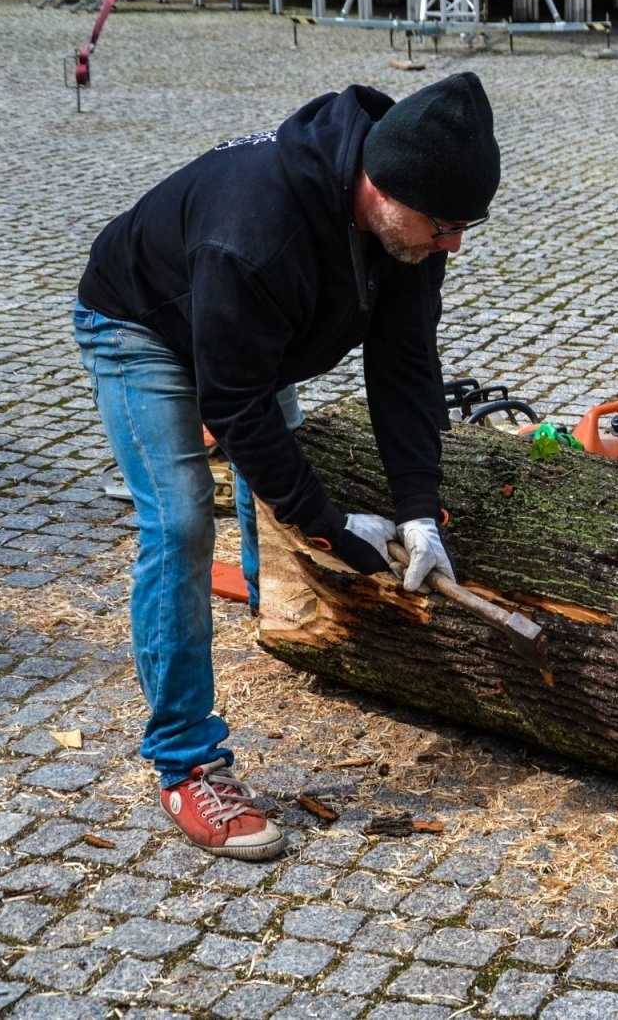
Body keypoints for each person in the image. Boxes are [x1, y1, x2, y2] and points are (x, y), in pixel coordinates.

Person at [73, 71, 502, 860]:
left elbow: (406, 365)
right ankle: (184, 760)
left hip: (251, 330)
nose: (454, 244)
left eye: (464, 225)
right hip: (141, 324)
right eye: (444, 226)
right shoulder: (255, 231)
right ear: (382, 189)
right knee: (177, 523)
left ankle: (272, 616)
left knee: (275, 468)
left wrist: (418, 507)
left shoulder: (409, 218)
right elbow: (235, 408)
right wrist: (330, 527)